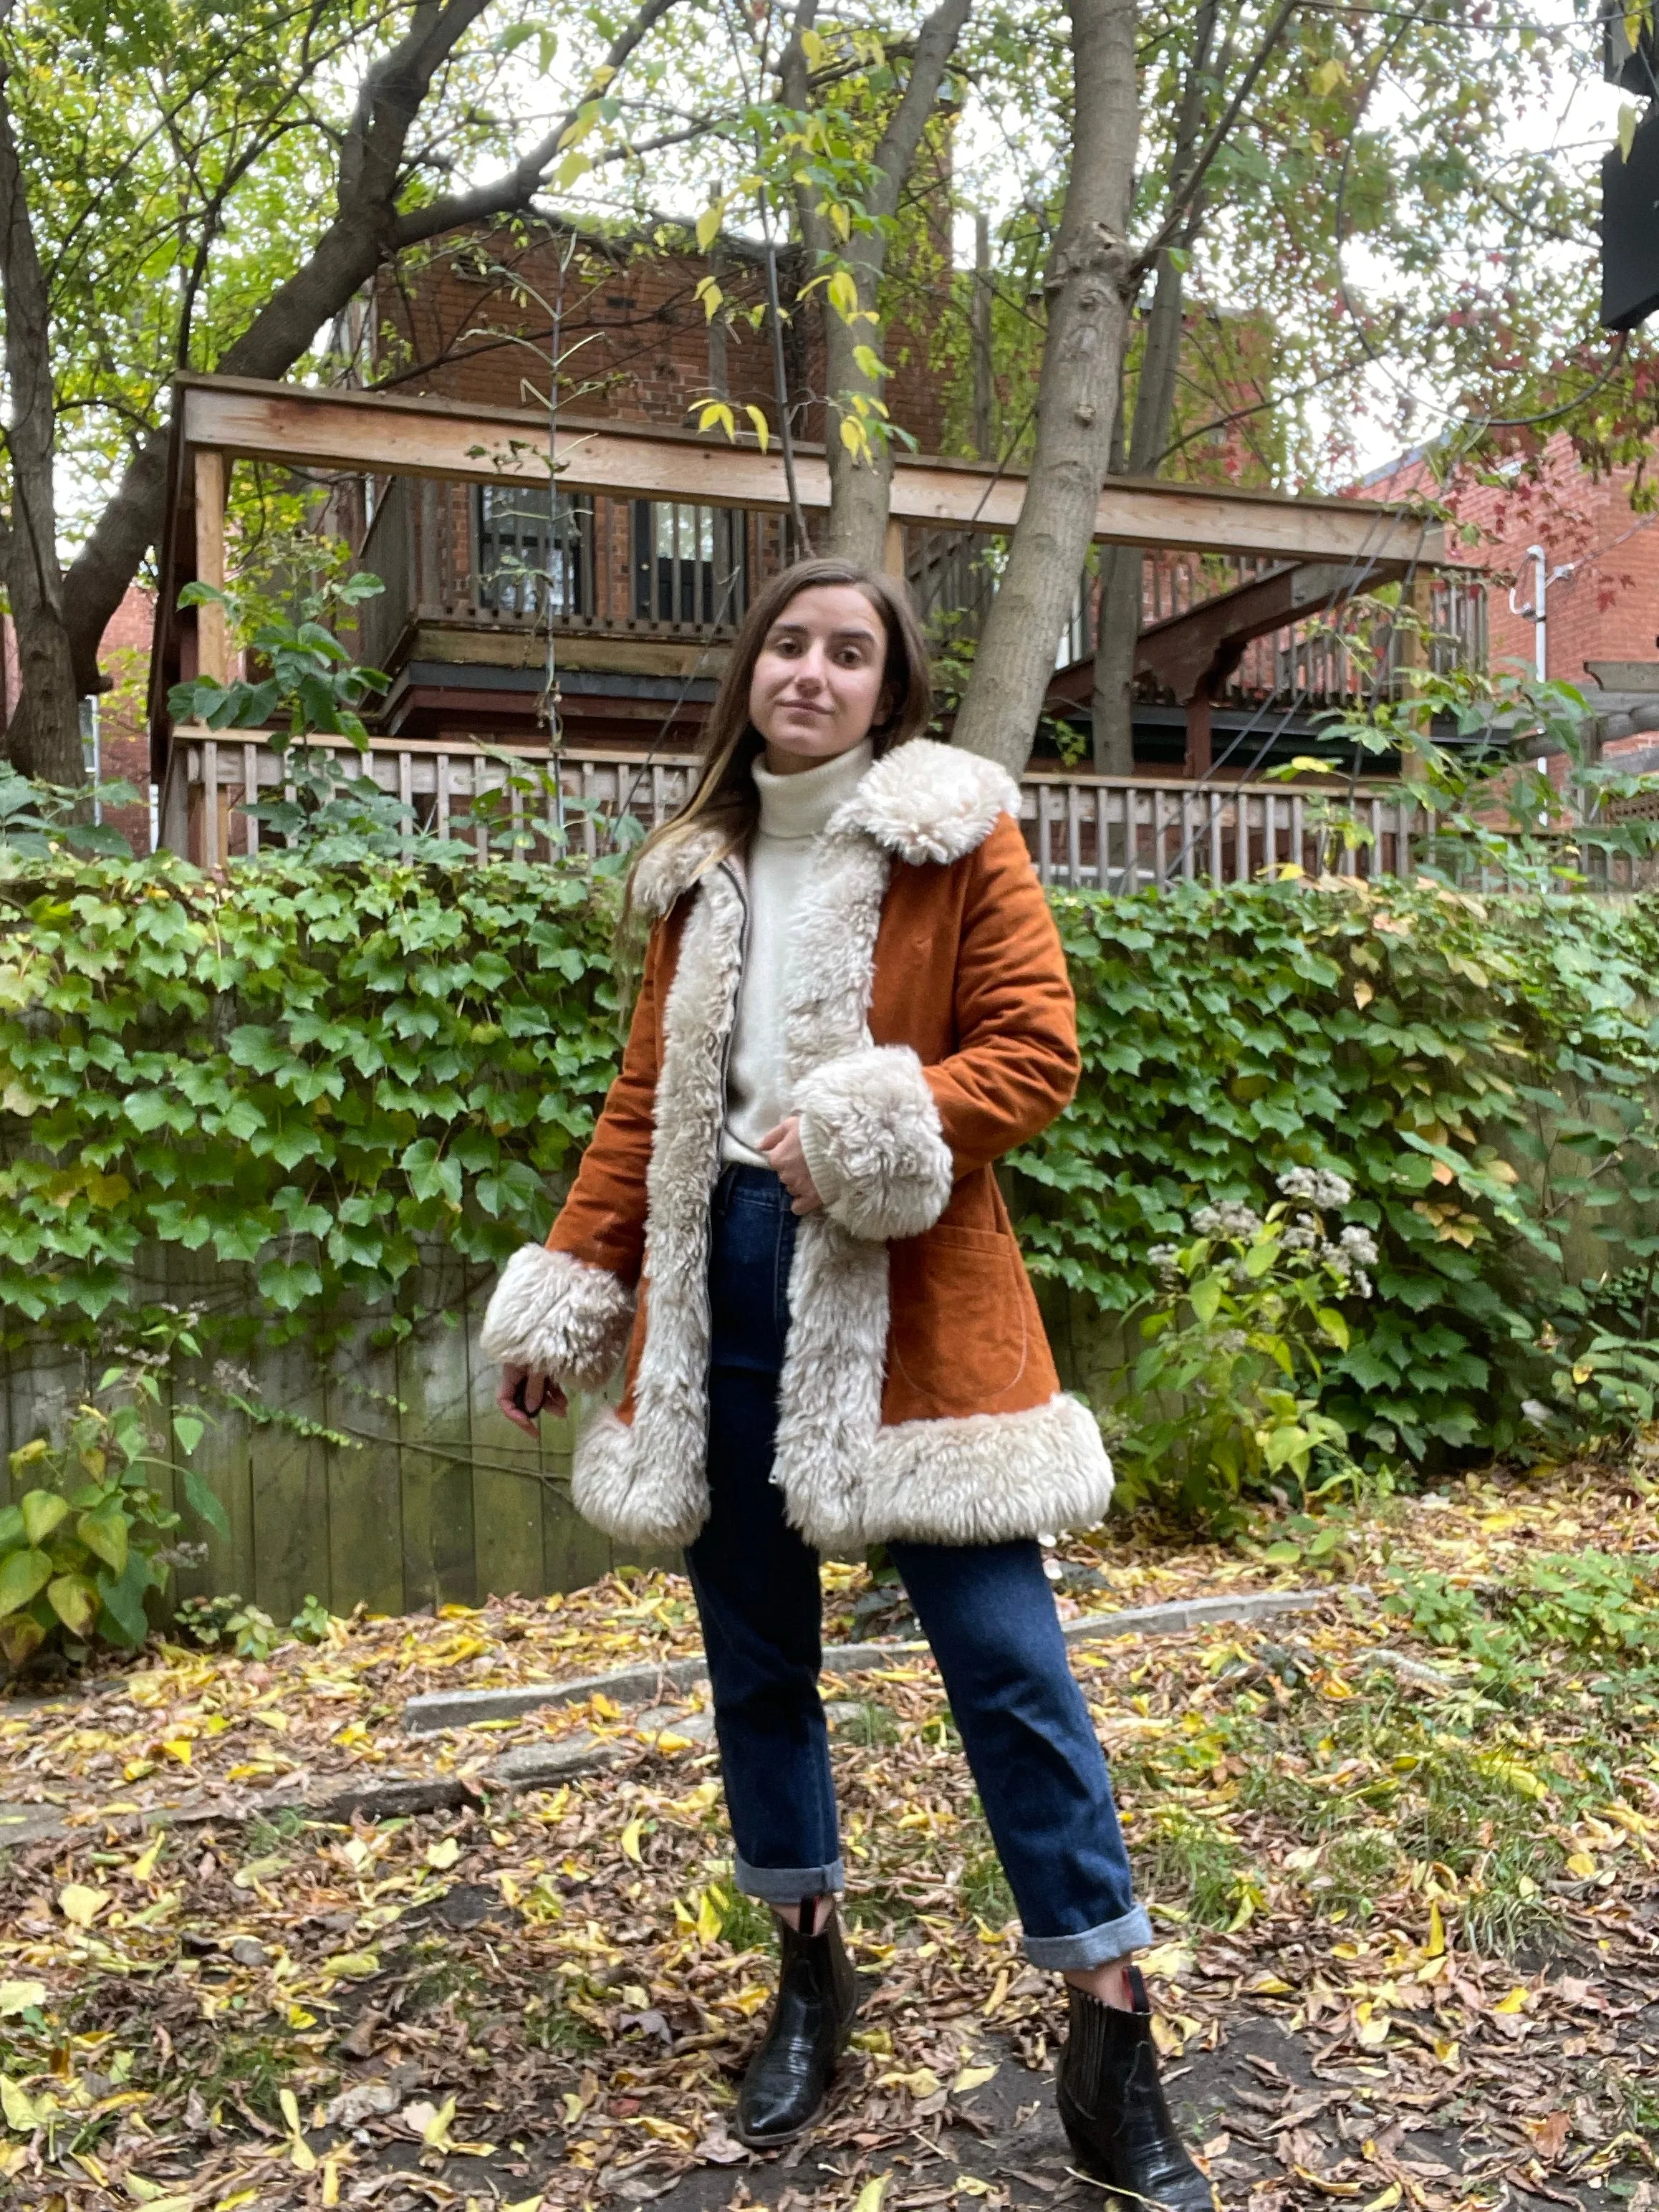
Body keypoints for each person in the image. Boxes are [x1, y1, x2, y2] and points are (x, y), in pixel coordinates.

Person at [481, 558, 1211, 2208]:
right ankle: (810, 1968)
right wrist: (570, 1301)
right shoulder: (698, 869)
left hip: (910, 1295)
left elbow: (1037, 1049)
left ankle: (1112, 2034)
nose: (811, 671)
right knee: (758, 1661)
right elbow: (638, 1112)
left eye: (848, 652)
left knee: (1010, 1662)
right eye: (789, 644)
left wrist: (874, 1128)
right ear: (753, 673)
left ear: (893, 690)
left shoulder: (954, 834)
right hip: (713, 1286)